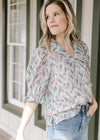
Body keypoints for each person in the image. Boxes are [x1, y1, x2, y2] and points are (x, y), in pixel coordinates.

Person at [15, 0, 98, 140]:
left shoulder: (81, 48)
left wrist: (94, 102)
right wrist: (20, 131)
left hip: (84, 119)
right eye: (47, 16)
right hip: (62, 124)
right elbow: (33, 95)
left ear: (68, 16)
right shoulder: (44, 53)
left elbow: (85, 79)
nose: (50, 20)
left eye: (56, 14)